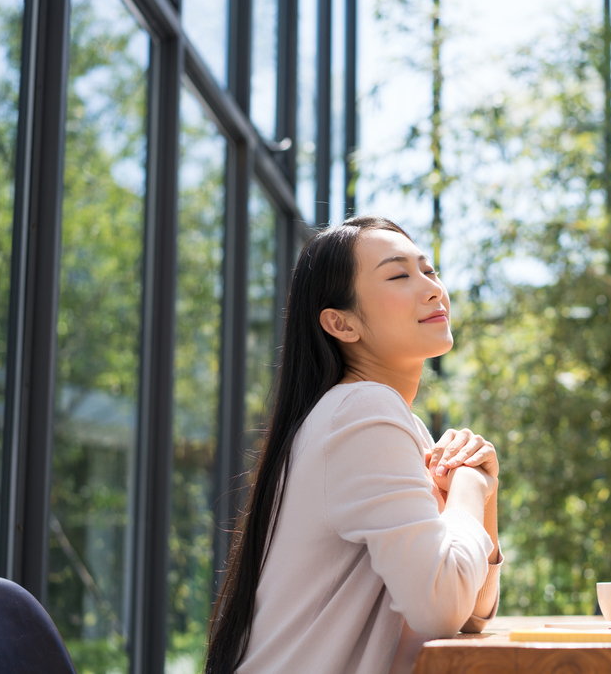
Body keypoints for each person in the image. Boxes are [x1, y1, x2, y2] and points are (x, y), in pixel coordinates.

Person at [205, 217, 502, 674]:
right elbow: (441, 606)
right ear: (341, 323)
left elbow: (470, 616)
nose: (431, 289)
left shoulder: (394, 422)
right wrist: (468, 486)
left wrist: (485, 495)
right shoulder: (363, 409)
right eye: (400, 275)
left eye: (430, 271)